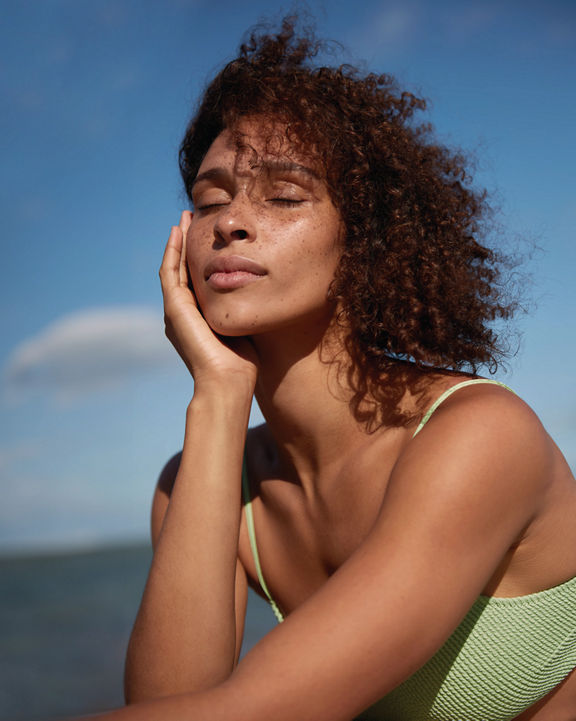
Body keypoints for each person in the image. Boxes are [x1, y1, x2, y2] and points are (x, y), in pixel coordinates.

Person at [88, 18, 576, 721]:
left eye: (284, 196)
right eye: (209, 199)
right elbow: (173, 704)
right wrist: (220, 399)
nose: (229, 222)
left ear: (364, 242)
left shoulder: (477, 435)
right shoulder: (198, 480)